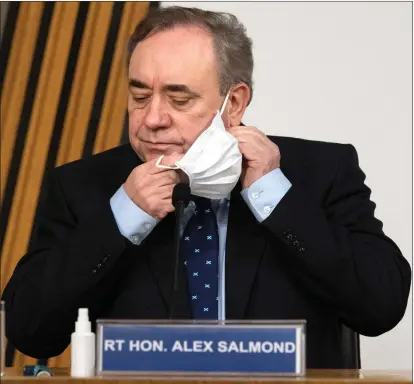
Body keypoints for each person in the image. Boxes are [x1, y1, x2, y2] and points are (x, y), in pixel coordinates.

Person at [2, 6, 411, 369]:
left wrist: (274, 196)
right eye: (140, 95)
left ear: (233, 104)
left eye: (179, 100)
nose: (153, 119)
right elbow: (29, 329)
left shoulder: (320, 172)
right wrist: (121, 218)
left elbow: (381, 307)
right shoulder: (82, 184)